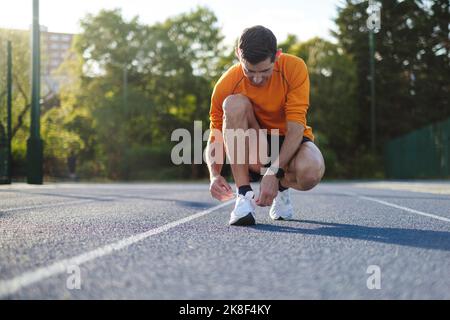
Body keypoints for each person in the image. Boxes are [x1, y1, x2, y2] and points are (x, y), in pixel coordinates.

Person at [206, 25, 325, 226]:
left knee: (311, 172)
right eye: (249, 71)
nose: (257, 78)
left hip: (289, 140)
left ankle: (281, 187)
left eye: (265, 71)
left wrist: (275, 173)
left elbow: (296, 126)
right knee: (233, 104)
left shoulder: (294, 68)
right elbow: (216, 134)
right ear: (238, 55)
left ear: (277, 56)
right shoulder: (227, 83)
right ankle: (243, 196)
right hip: (254, 145)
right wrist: (214, 174)